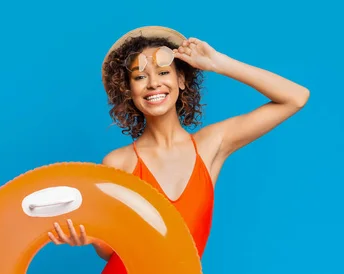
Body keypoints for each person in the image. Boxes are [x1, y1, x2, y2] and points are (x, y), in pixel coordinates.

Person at [46, 26, 310, 273]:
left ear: (181, 79)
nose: (153, 83)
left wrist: (218, 63)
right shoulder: (118, 162)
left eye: (163, 72)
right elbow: (110, 249)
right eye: (139, 77)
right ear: (129, 92)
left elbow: (295, 97)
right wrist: (91, 237)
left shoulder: (210, 145)